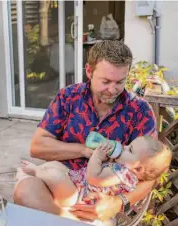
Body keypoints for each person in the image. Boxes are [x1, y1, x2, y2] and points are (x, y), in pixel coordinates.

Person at [13, 40, 158, 223]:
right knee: (24, 192)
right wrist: (83, 150)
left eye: (120, 82)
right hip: (59, 185)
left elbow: (151, 173)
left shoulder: (140, 111)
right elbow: (38, 146)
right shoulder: (68, 97)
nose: (113, 90)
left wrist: (117, 202)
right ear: (89, 71)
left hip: (101, 197)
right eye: (105, 81)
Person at [21, 136, 172, 209]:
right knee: (55, 165)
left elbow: (93, 178)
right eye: (128, 145)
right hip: (75, 181)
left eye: (130, 149)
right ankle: (39, 173)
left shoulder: (124, 174)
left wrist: (97, 156)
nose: (124, 146)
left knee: (54, 175)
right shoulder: (123, 167)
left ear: (138, 169)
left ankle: (36, 170)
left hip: (77, 195)